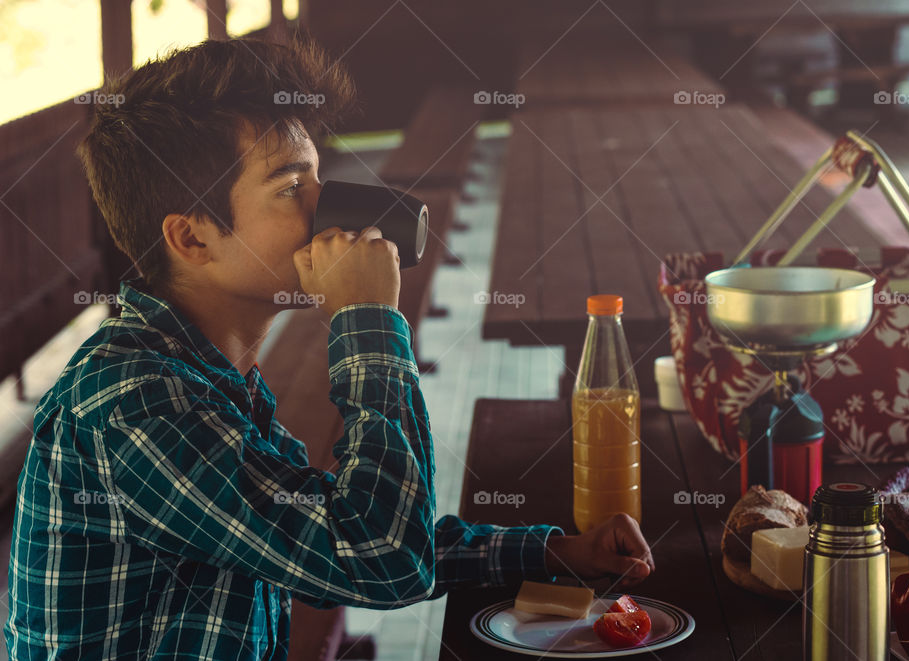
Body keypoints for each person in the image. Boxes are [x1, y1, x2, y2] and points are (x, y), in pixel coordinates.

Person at [3, 35, 654, 660]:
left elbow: (329, 532)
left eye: (320, 175)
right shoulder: (134, 406)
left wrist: (550, 553)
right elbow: (382, 559)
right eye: (291, 188)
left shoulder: (204, 370)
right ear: (193, 238)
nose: (330, 209)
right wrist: (368, 320)